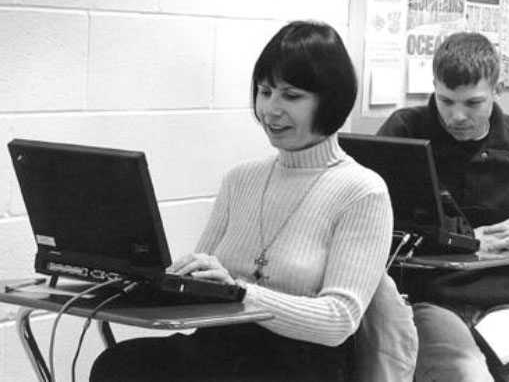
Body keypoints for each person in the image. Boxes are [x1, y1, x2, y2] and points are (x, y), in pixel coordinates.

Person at [90, 20, 416, 382]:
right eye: (264, 92)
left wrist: (240, 293)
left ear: (331, 100)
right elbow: (199, 289)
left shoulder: (363, 191)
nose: (271, 110)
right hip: (218, 347)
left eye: (291, 96)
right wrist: (141, 279)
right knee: (118, 365)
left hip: (298, 364)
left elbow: (338, 320)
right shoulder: (240, 178)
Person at [377, 31, 509, 382]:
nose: (456, 116)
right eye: (446, 101)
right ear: (433, 85)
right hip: (430, 301)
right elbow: (372, 219)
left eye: (473, 103)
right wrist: (464, 242)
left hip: (505, 307)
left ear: (498, 90)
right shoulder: (405, 131)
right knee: (468, 375)